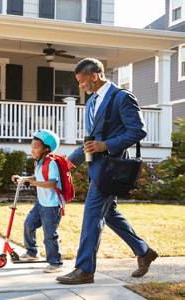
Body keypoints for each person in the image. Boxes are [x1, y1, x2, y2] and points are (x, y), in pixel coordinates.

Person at [56, 58, 158, 285]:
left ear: (95, 76)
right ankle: (144, 251)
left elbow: (138, 131)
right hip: (96, 168)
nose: (80, 86)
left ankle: (84, 270)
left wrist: (107, 145)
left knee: (92, 213)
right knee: (109, 213)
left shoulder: (122, 97)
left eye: (82, 81)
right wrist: (70, 161)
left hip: (112, 169)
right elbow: (91, 139)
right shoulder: (91, 103)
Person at [12, 129, 65, 273]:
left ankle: (56, 263)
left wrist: (32, 183)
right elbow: (37, 177)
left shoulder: (51, 163)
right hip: (41, 202)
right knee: (29, 224)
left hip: (52, 205)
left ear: (46, 149)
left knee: (49, 234)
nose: (32, 150)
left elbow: (52, 183)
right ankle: (32, 253)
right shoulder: (38, 162)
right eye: (32, 147)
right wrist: (24, 179)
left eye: (36, 147)